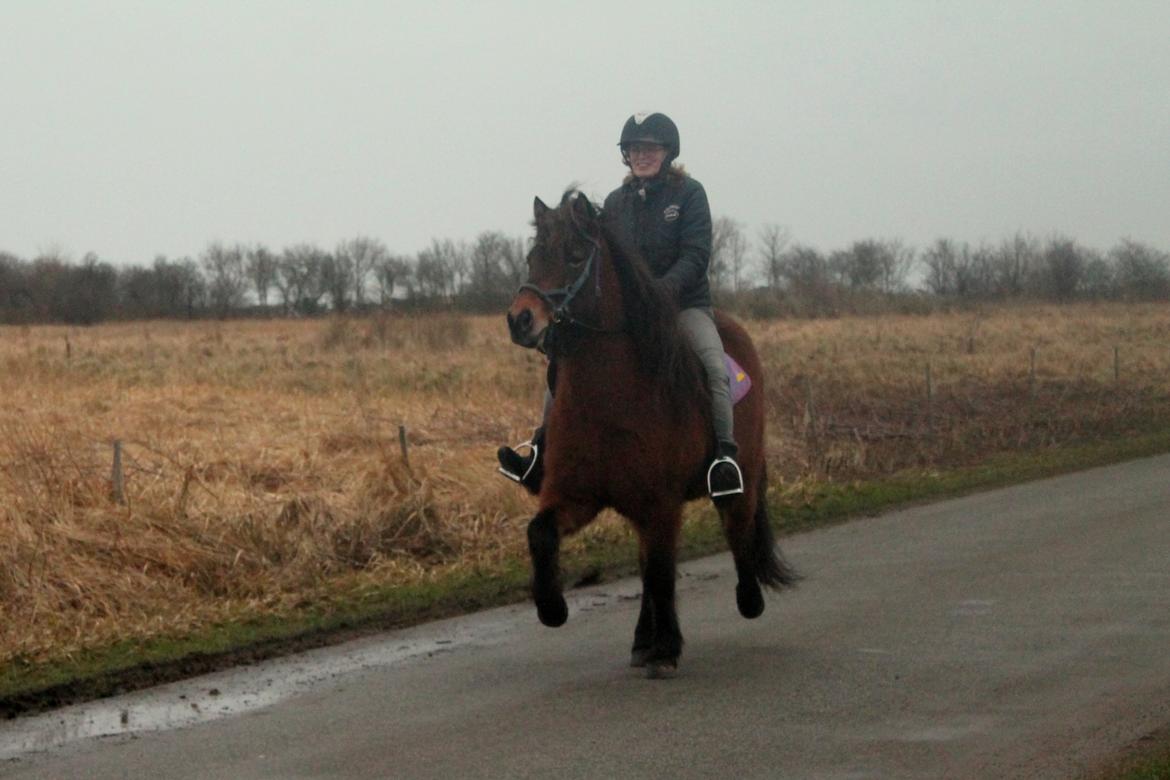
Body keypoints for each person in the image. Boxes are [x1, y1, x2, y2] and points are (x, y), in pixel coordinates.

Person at [498, 111, 743, 500]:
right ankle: (540, 454)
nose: (641, 155)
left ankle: (724, 459)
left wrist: (660, 293)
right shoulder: (615, 202)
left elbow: (696, 257)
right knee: (563, 362)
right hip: (627, 314)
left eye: (650, 148)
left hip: (682, 306)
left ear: (667, 152)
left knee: (714, 366)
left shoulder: (689, 194)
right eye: (633, 149)